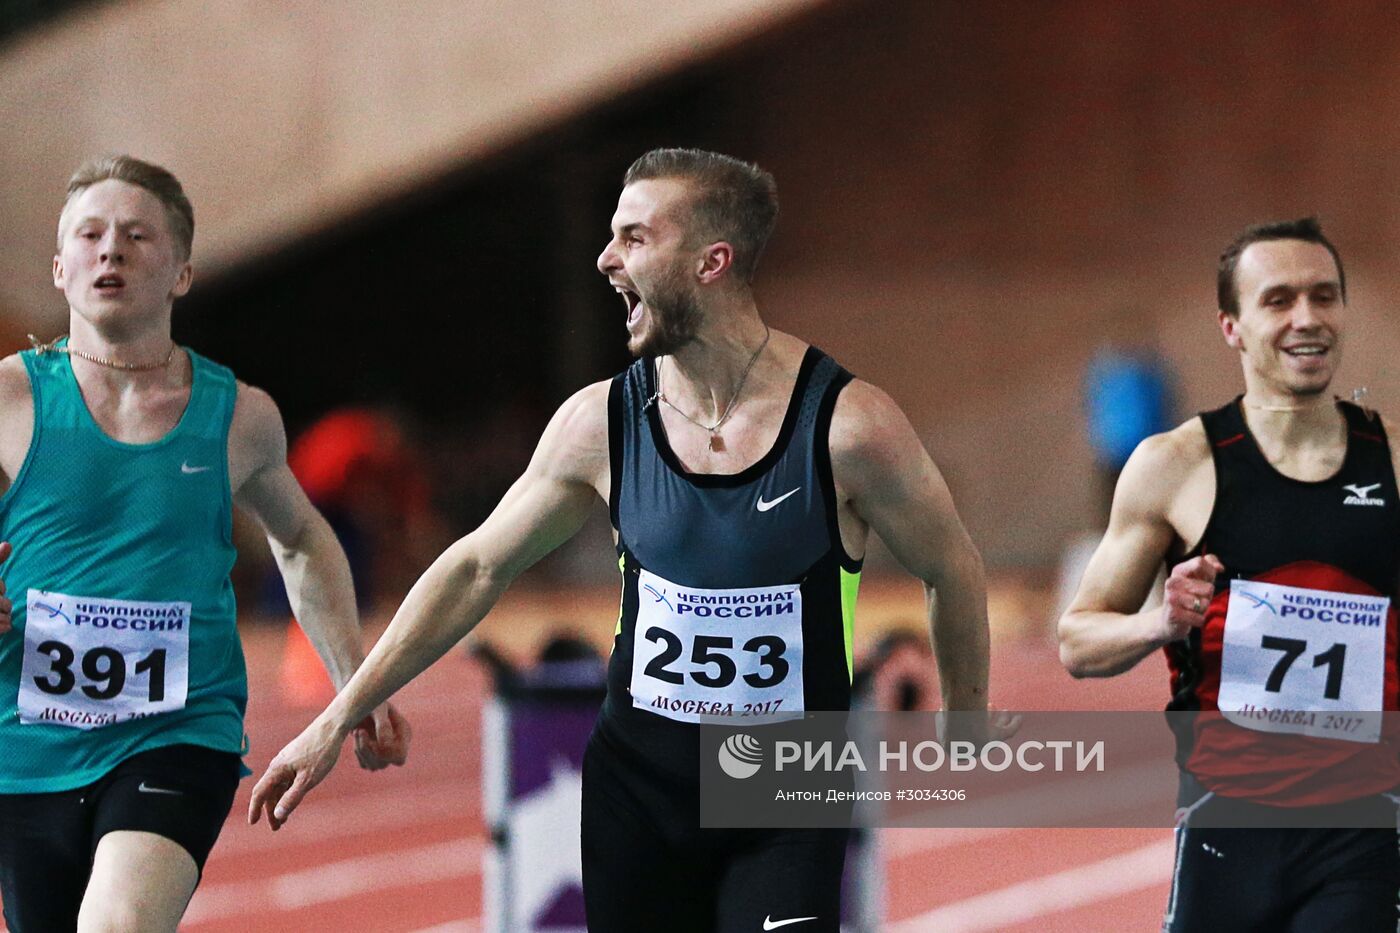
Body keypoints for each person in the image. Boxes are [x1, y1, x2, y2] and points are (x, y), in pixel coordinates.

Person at [249, 148, 1006, 931]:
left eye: (635, 238)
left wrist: (967, 722)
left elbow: (951, 564)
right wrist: (337, 715)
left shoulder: (850, 426)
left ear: (713, 262)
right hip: (638, 797)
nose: (606, 259)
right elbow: (476, 565)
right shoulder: (600, 425)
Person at [0, 155, 411, 933]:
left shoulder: (239, 416)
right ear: (59, 268)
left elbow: (302, 537)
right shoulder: (11, 398)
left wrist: (355, 679)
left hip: (175, 729)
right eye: (89, 234)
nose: (110, 250)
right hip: (25, 742)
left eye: (136, 235)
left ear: (183, 271)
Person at [1058, 217, 1400, 931]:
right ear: (1232, 326)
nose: (1307, 318)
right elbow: (1078, 641)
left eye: (1324, 296)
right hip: (1226, 830)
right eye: (1278, 300)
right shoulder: (1174, 467)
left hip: (1366, 832)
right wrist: (1161, 621)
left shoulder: (1392, 460)